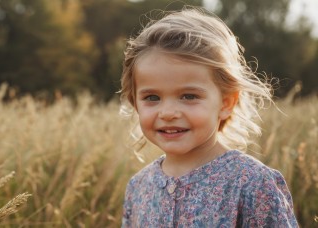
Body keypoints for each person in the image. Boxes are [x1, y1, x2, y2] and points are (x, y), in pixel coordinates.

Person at [119, 7, 298, 227]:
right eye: (152, 97)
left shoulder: (252, 183)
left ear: (226, 102)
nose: (167, 113)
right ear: (134, 101)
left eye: (188, 96)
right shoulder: (138, 187)